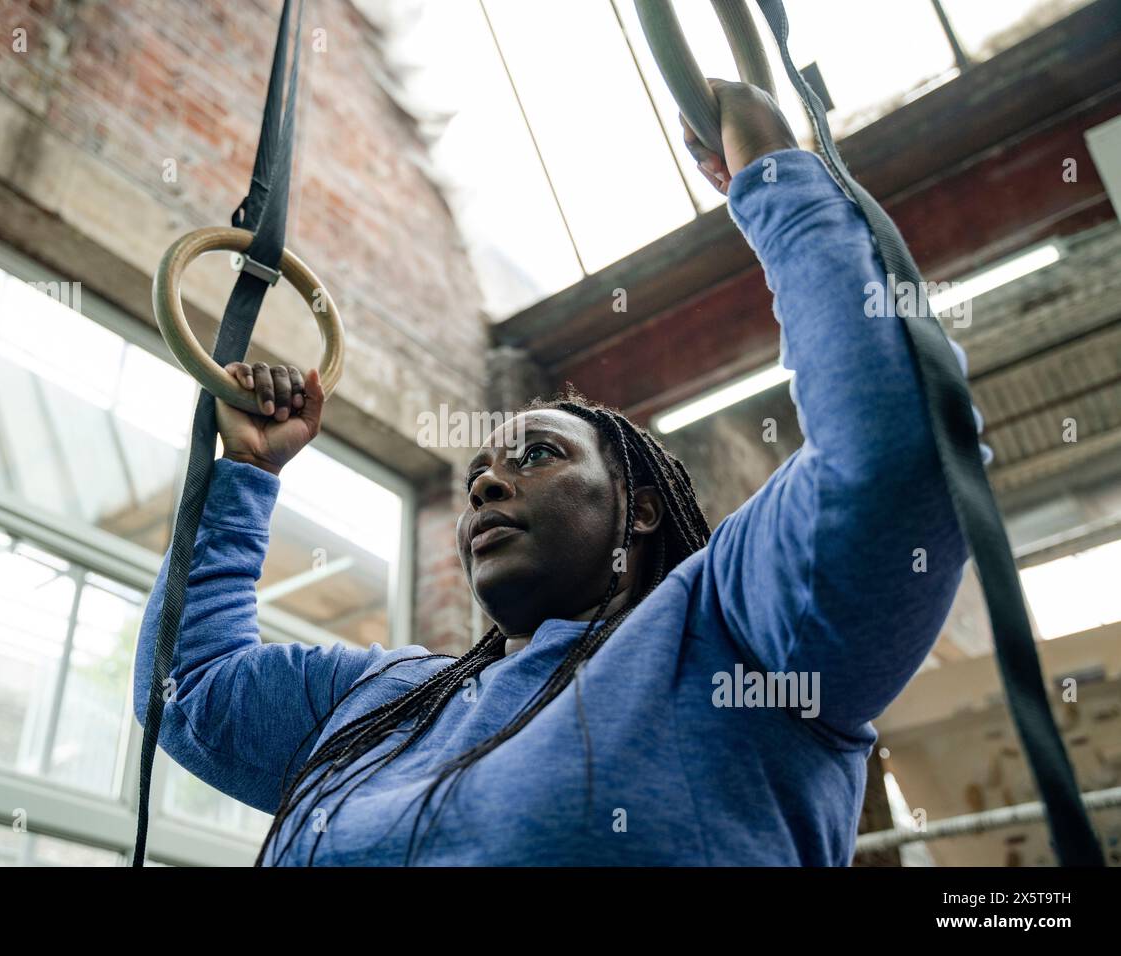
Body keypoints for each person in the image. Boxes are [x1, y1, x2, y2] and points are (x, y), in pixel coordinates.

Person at [134, 80, 981, 865]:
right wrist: (245, 474)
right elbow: (186, 691)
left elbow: (899, 451)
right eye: (477, 479)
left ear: (641, 511)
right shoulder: (383, 695)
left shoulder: (729, 639)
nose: (486, 488)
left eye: (537, 455)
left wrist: (775, 176)